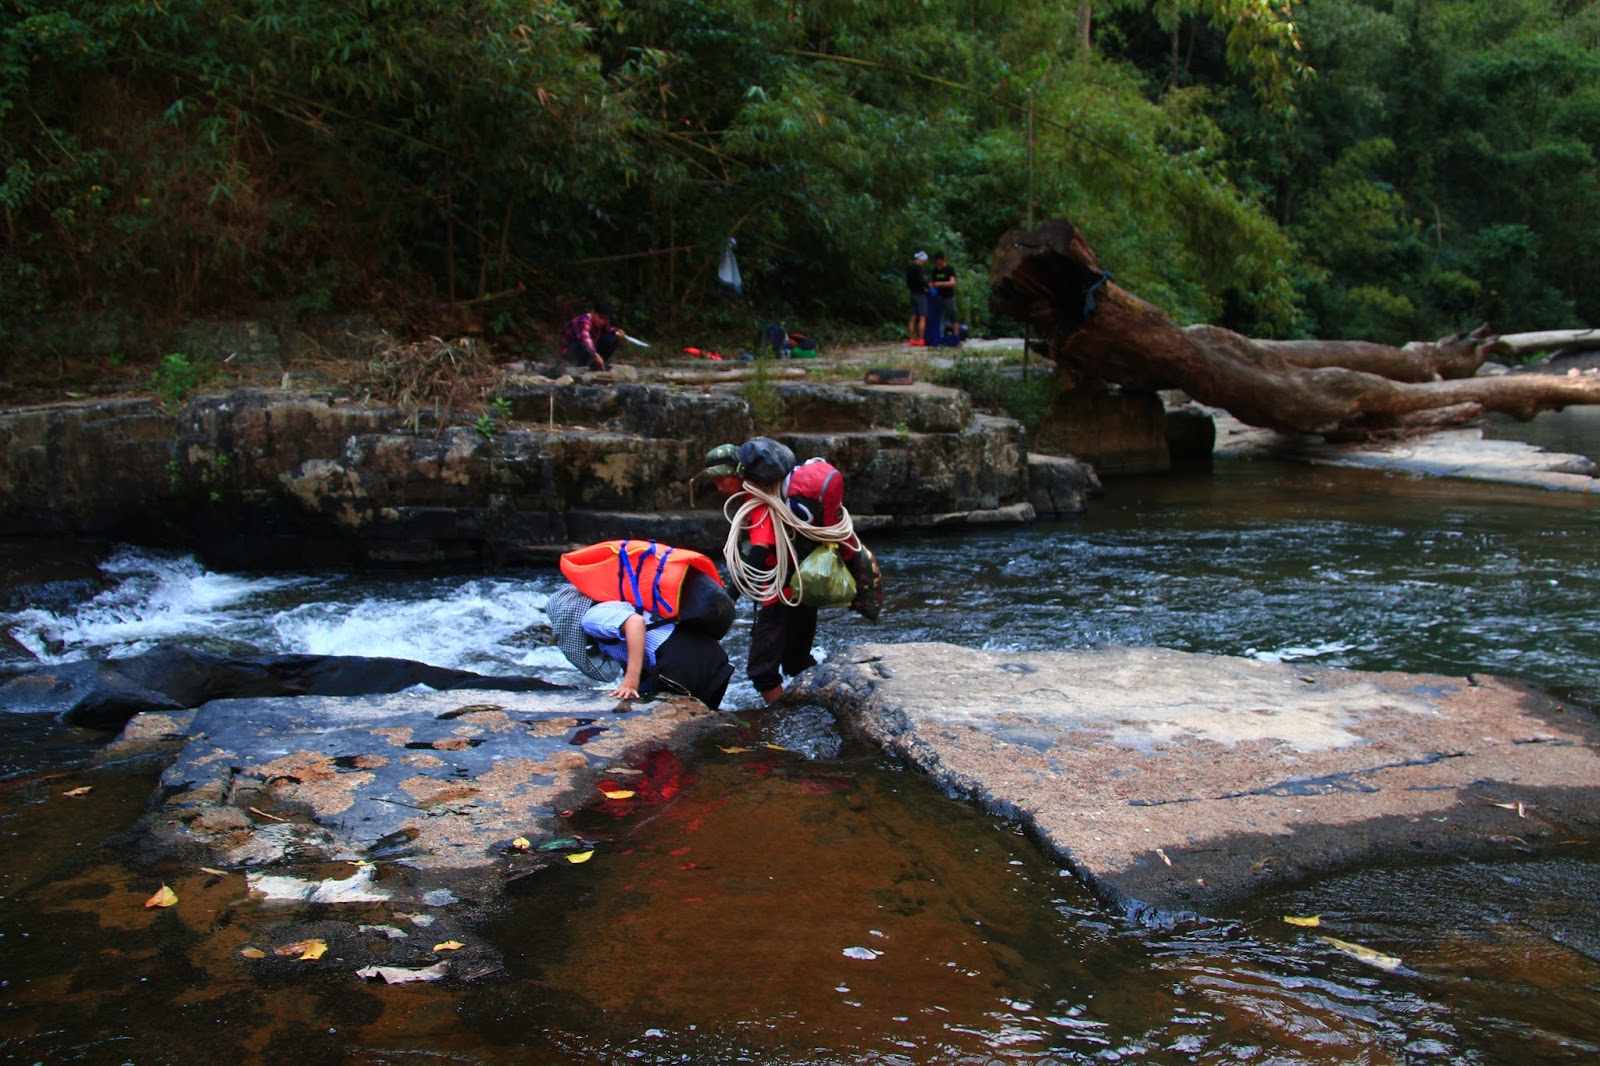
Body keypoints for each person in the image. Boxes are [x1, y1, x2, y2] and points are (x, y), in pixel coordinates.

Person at [703, 438, 864, 704]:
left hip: (779, 597)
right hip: (803, 589)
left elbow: (760, 553)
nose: (718, 486)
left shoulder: (760, 503)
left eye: (721, 479)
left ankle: (786, 724)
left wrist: (730, 594)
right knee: (797, 661)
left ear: (738, 473)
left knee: (761, 671)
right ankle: (818, 711)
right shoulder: (778, 497)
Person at [546, 575, 735, 709]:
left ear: (568, 619)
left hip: (680, 666)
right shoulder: (620, 605)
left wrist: (631, 680)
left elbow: (635, 624)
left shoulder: (592, 617)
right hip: (712, 659)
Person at [561, 299, 626, 372]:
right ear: (593, 313)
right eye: (600, 318)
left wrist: (617, 331)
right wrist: (595, 355)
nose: (602, 321)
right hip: (571, 351)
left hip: (587, 350)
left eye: (606, 319)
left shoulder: (602, 324)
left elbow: (608, 329)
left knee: (613, 339)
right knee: (590, 342)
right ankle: (577, 365)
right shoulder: (583, 321)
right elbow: (585, 340)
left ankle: (596, 365)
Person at [930, 252, 959, 336]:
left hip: (949, 296)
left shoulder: (949, 269)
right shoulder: (935, 270)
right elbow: (933, 283)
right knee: (940, 317)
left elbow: (952, 282)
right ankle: (940, 335)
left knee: (953, 315)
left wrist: (940, 283)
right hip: (938, 297)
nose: (938, 263)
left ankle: (956, 335)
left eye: (939, 261)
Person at [905, 251, 930, 347]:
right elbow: (921, 281)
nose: (924, 263)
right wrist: (927, 286)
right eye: (923, 261)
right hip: (920, 295)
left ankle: (911, 339)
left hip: (912, 294)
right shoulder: (918, 268)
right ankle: (921, 339)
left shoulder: (909, 268)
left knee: (913, 317)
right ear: (920, 260)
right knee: (922, 318)